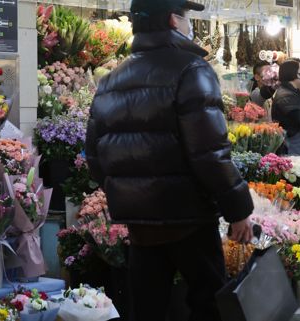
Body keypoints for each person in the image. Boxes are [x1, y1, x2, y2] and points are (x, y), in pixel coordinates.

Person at [85, 1, 255, 320]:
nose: (189, 23)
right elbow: (209, 154)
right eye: (186, 16)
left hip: (140, 225)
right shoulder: (192, 69)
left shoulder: (108, 82)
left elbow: (95, 158)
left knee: (147, 310)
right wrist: (239, 209)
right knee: (210, 306)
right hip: (189, 220)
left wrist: (131, 194)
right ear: (172, 21)